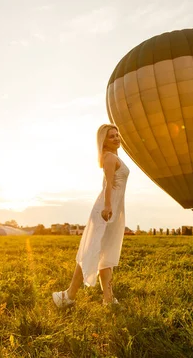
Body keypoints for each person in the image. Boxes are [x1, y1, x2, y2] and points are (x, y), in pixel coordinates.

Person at [52, 124, 130, 307]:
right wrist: (108, 206)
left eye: (117, 134)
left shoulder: (114, 157)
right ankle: (67, 296)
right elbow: (108, 185)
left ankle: (108, 300)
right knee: (91, 251)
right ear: (104, 141)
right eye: (111, 136)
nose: (117, 138)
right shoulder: (110, 158)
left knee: (106, 253)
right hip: (106, 210)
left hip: (113, 209)